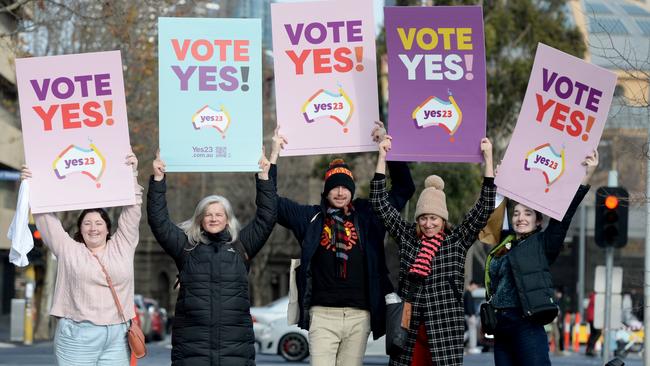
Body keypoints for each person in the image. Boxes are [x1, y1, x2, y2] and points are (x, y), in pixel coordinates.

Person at [269, 123, 415, 366]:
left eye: (344, 187)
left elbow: (404, 188)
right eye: (334, 187)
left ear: (351, 190)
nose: (339, 192)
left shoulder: (369, 213)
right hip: (323, 315)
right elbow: (270, 204)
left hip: (360, 315)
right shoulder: (311, 218)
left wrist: (388, 149)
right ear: (326, 191)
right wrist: (273, 157)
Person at [370, 135, 496, 366]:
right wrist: (382, 156)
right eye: (424, 218)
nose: (429, 224)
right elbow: (379, 202)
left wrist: (488, 158)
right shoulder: (407, 236)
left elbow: (485, 206)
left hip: (445, 329)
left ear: (443, 219)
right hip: (408, 327)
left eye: (434, 218)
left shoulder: (456, 240)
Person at [147, 151, 276, 366]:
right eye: (208, 214)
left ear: (227, 219)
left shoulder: (242, 245)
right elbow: (158, 221)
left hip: (234, 350)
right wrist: (158, 180)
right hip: (192, 349)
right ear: (200, 219)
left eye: (219, 214)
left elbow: (267, 217)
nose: (214, 218)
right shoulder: (186, 247)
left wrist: (264, 177)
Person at [21, 152, 141, 365]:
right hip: (77, 336)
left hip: (118, 336)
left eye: (98, 223)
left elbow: (132, 211)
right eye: (87, 223)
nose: (93, 228)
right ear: (80, 229)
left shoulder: (122, 245)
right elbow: (45, 218)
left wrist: (131, 174)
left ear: (107, 228)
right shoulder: (69, 249)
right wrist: (32, 184)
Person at [484, 150, 598, 366]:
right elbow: (491, 211)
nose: (520, 218)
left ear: (538, 221)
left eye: (527, 214)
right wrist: (493, 175)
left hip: (527, 324)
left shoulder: (543, 244)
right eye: (516, 213)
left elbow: (564, 216)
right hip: (501, 327)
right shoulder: (503, 243)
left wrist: (587, 176)